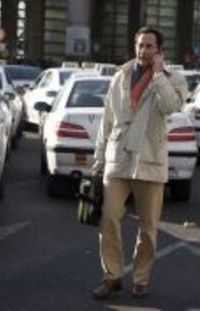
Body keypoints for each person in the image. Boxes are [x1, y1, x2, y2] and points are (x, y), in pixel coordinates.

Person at [91, 26, 188, 299]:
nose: (143, 50)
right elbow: (107, 121)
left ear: (159, 51)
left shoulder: (173, 79)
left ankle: (141, 278)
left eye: (149, 46)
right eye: (140, 45)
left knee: (148, 227)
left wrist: (157, 76)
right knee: (108, 218)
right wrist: (99, 158)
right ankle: (112, 276)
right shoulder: (120, 76)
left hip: (150, 160)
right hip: (117, 158)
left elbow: (170, 106)